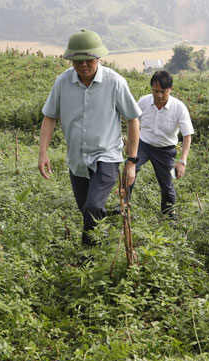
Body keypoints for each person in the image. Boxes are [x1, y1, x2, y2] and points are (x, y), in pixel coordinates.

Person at [38, 29, 141, 247]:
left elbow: (133, 119)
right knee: (87, 210)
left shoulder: (115, 82)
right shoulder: (62, 82)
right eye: (77, 60)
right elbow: (49, 117)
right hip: (77, 159)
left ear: (98, 58)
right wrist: (43, 153)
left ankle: (88, 256)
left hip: (107, 155)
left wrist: (132, 161)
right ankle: (101, 245)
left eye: (88, 60)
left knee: (92, 207)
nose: (83, 65)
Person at [129, 70, 194, 220]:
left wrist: (182, 161)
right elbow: (134, 123)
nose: (159, 95)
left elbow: (187, 135)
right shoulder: (143, 101)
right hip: (143, 145)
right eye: (155, 91)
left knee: (167, 184)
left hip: (165, 150)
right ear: (151, 88)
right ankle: (124, 204)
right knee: (130, 169)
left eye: (163, 92)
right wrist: (130, 145)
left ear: (171, 89)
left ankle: (169, 213)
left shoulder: (179, 107)